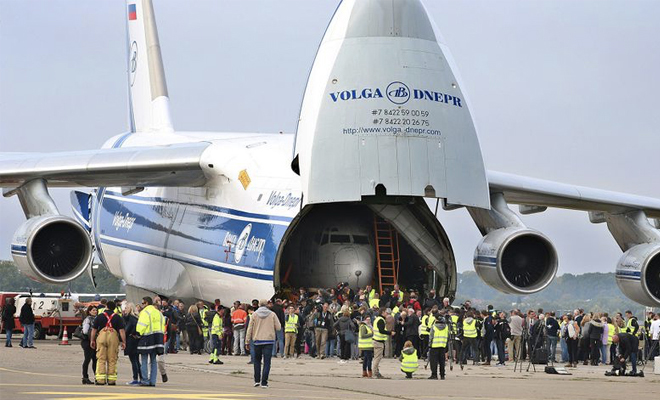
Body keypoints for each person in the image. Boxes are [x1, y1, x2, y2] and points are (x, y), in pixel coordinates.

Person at [246, 299, 281, 388]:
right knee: (267, 362)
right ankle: (264, 382)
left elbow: (249, 328)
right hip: (269, 340)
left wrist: (247, 341)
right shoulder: (272, 314)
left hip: (257, 340)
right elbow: (278, 327)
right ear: (267, 305)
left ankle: (257, 380)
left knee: (257, 361)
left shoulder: (254, 315)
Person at [91, 300, 127, 385]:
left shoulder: (99, 316)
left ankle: (100, 380)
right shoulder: (118, 317)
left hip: (101, 336)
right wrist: (124, 342)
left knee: (101, 358)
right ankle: (111, 380)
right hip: (113, 337)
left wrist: (92, 340)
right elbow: (121, 331)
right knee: (112, 359)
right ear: (114, 308)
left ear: (106, 306)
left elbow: (94, 329)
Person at [136, 296, 165, 387]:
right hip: (158, 338)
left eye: (143, 303)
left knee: (144, 360)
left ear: (147, 303)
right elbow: (162, 324)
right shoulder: (158, 313)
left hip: (147, 338)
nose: (142, 305)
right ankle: (153, 381)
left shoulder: (145, 312)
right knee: (153, 360)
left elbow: (142, 325)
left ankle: (145, 380)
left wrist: (138, 333)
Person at [122, 303, 141, 385]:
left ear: (130, 309)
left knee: (133, 360)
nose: (125, 309)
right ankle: (142, 377)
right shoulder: (136, 318)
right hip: (135, 340)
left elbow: (127, 330)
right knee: (137, 360)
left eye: (126, 308)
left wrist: (122, 338)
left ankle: (135, 378)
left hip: (131, 341)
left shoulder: (131, 319)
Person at [372, 307, 392, 379]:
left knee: (377, 357)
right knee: (377, 358)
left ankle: (376, 372)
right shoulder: (381, 320)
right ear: (382, 312)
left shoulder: (377, 319)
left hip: (377, 340)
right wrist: (390, 333)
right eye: (386, 312)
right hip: (378, 341)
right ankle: (375, 373)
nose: (387, 313)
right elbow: (381, 331)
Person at [428, 314, 449, 380]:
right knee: (442, 361)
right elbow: (448, 336)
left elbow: (431, 336)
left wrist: (429, 344)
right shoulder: (446, 327)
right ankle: (442, 375)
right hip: (442, 345)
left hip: (434, 346)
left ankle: (434, 374)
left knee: (433, 361)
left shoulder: (434, 326)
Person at [81, 305, 97, 384]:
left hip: (94, 341)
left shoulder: (96, 319)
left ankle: (97, 376)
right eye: (93, 310)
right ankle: (85, 377)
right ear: (89, 311)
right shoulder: (88, 319)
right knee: (87, 359)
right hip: (87, 341)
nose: (95, 311)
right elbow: (85, 331)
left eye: (96, 310)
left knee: (95, 359)